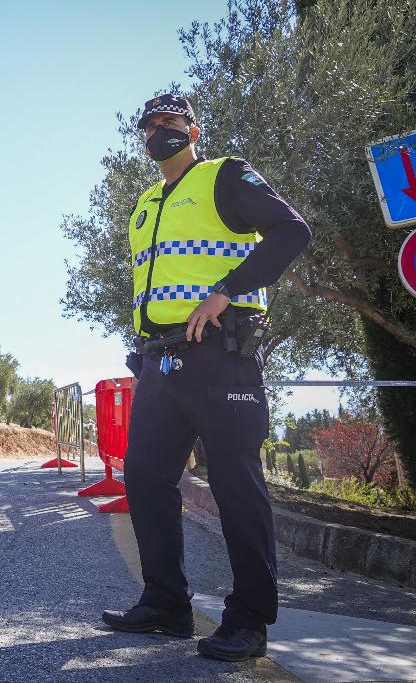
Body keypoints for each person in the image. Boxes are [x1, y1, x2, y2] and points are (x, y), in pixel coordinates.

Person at [101, 94, 311, 662]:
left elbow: (292, 231)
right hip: (159, 361)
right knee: (144, 478)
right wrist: (141, 344)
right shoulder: (144, 205)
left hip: (222, 355)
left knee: (235, 482)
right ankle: (166, 605)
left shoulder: (224, 175)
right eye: (148, 125)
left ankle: (249, 621)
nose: (158, 131)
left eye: (169, 121)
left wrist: (228, 292)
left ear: (193, 128)